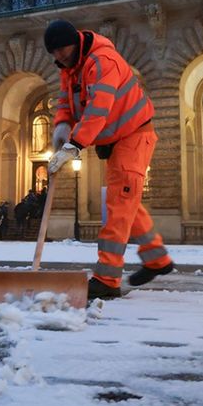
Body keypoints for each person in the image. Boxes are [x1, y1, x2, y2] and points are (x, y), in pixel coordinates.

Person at [44, 18, 172, 300]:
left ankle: (107, 279)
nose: (59, 57)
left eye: (62, 50)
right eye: (54, 53)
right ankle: (157, 259)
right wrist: (61, 128)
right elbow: (66, 103)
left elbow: (99, 110)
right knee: (127, 203)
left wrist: (75, 145)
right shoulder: (70, 69)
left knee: (117, 205)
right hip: (117, 140)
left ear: (75, 42)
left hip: (134, 137)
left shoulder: (103, 61)